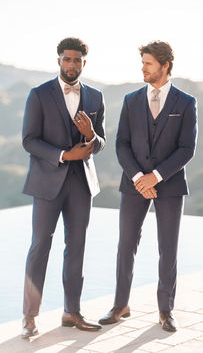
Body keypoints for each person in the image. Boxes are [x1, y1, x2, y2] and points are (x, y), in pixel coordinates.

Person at [99, 41, 197, 332]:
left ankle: (166, 310)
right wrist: (138, 178)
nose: (143, 68)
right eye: (142, 63)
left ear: (165, 65)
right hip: (133, 184)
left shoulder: (186, 102)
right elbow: (122, 143)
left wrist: (155, 176)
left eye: (148, 63)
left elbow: (186, 148)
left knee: (168, 248)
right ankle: (121, 305)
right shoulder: (131, 100)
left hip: (170, 184)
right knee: (126, 245)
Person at [22, 37, 106, 338]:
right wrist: (64, 155)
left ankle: (72, 312)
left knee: (77, 249)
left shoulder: (96, 97)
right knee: (40, 247)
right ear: (58, 60)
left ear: (85, 62)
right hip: (47, 182)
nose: (72, 65)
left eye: (77, 60)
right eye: (67, 59)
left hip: (81, 184)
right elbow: (29, 140)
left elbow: (101, 143)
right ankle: (30, 316)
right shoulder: (39, 95)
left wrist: (91, 135)